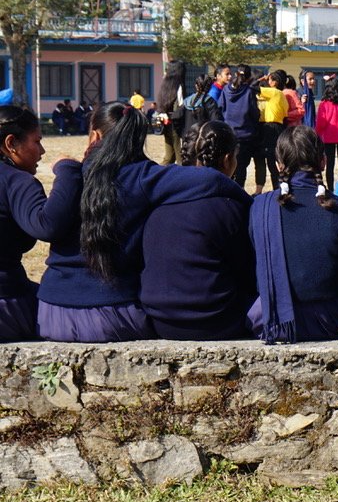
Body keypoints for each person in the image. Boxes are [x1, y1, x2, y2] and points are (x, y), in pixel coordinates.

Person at [38, 103, 242, 342]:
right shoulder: (144, 176)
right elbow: (209, 179)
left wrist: (64, 167)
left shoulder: (72, 175)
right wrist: (247, 201)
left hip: (50, 312)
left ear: (95, 135)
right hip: (113, 315)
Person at [140, 121, 255, 340]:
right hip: (215, 321)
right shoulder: (231, 207)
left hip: (161, 320)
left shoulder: (160, 199)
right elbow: (246, 271)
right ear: (227, 159)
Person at [248, 126, 338, 343]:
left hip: (270, 319)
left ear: (279, 165)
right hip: (329, 320)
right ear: (323, 162)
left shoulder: (260, 206)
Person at [0, 107, 77, 341]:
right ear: (11, 143)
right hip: (7, 303)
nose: (42, 151)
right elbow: (47, 225)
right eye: (37, 141)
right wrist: (68, 172)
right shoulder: (17, 181)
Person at [217, 65, 261, 189]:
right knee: (241, 167)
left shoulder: (226, 90)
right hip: (245, 135)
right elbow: (254, 113)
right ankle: (239, 191)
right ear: (248, 78)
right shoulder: (249, 92)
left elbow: (220, 108)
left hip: (229, 133)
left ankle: (227, 191)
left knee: (227, 166)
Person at [254, 70, 289, 193]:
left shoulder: (273, 92)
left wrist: (260, 79)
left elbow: (253, 88)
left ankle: (277, 188)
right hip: (279, 127)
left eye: (269, 80)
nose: (267, 82)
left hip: (270, 128)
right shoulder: (282, 95)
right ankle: (280, 187)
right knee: (277, 159)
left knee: (270, 161)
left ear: (274, 82)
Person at [155, 61, 186, 165]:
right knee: (180, 155)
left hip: (165, 120)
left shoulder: (165, 84)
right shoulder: (179, 85)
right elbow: (181, 104)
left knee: (169, 156)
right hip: (175, 121)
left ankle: (160, 172)